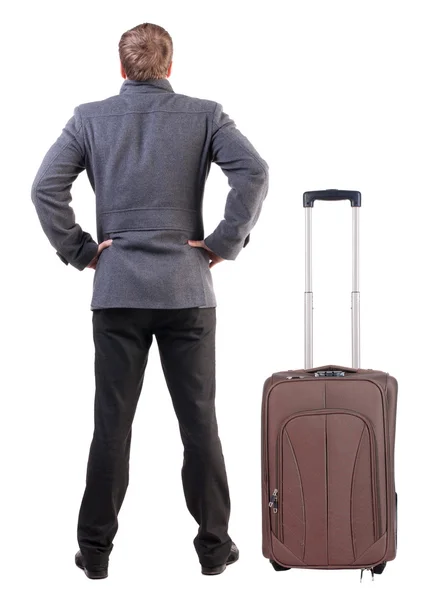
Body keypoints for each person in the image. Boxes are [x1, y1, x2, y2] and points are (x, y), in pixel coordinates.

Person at [31, 22, 269, 579]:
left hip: (117, 292)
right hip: (187, 290)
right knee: (199, 423)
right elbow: (253, 172)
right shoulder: (205, 113)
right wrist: (222, 244)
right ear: (169, 66)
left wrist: (84, 251)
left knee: (111, 423)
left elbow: (45, 188)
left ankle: (94, 553)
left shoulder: (89, 118)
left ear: (122, 68)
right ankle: (214, 549)